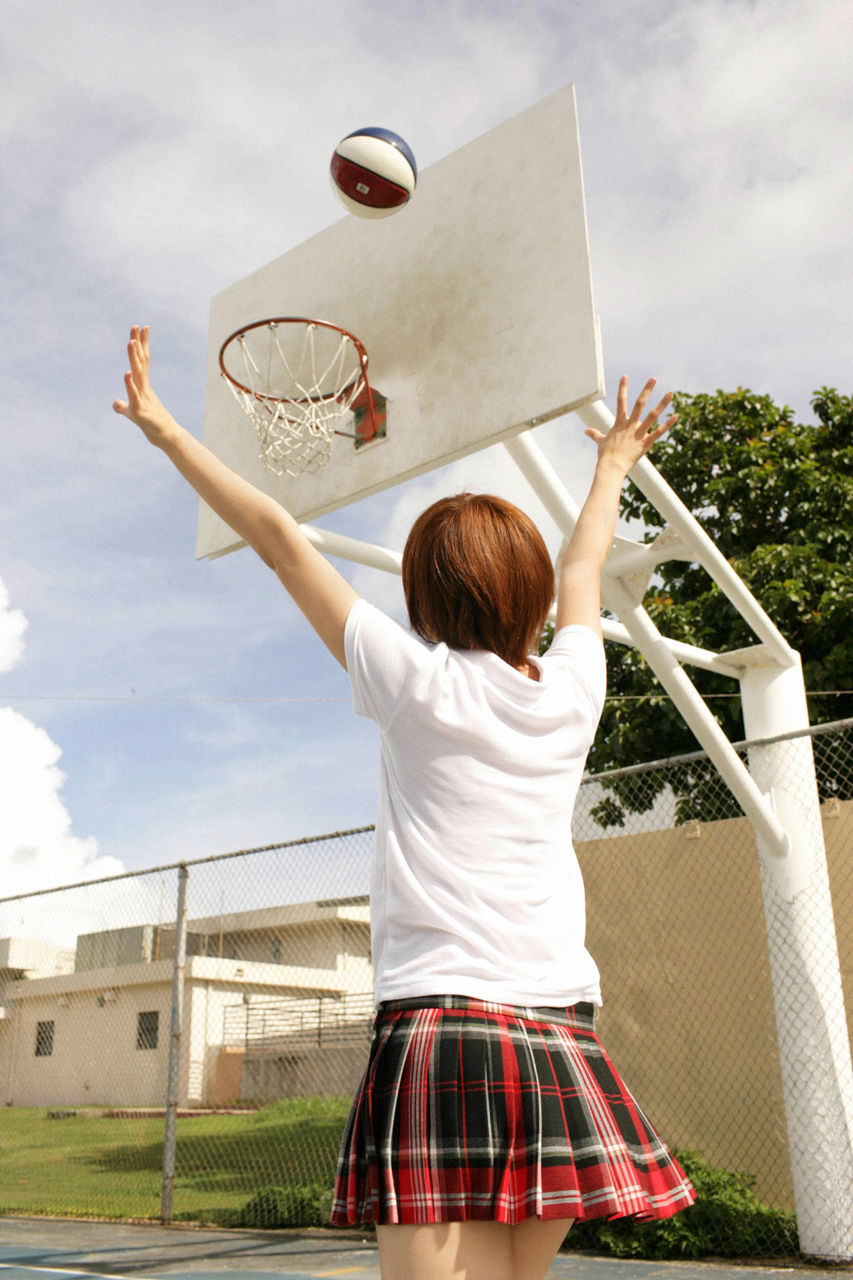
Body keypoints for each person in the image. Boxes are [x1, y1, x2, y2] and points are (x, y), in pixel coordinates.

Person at [114, 326, 695, 1280]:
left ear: (425, 598)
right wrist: (612, 466)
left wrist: (169, 432)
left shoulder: (411, 679)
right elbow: (584, 571)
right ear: (528, 595)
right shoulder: (572, 688)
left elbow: (277, 540)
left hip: (441, 1017)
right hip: (555, 1024)